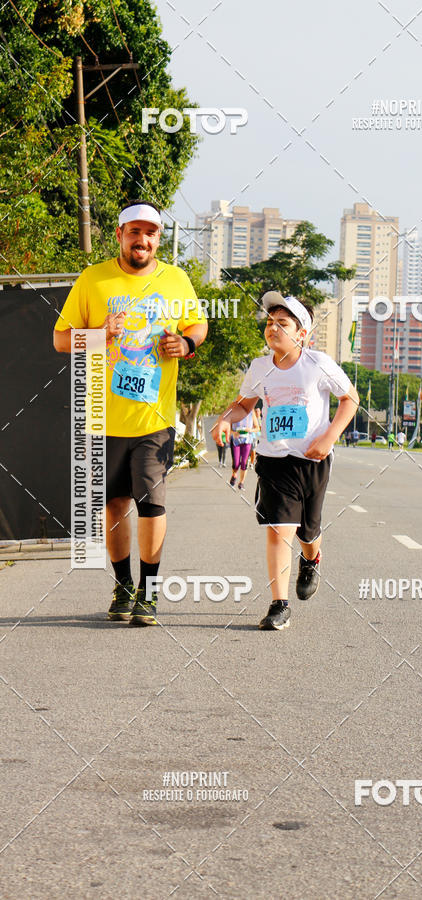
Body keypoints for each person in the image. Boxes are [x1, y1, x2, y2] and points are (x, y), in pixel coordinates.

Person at [53, 200, 207, 626]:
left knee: (151, 504)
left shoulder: (175, 280)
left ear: (159, 238)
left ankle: (150, 592)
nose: (143, 240)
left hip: (153, 421)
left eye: (151, 233)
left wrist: (187, 344)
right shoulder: (93, 278)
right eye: (134, 232)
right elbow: (61, 341)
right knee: (113, 506)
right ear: (119, 235)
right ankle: (123, 587)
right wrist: (98, 335)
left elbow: (198, 324)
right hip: (101, 416)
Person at [213, 291, 359, 630]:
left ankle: (311, 559)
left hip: (312, 460)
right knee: (279, 530)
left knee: (308, 531)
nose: (273, 328)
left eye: (283, 323)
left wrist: (329, 436)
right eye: (269, 322)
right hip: (273, 459)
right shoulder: (260, 368)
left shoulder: (318, 364)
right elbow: (244, 405)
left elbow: (349, 399)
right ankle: (279, 604)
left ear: (301, 334)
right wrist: (224, 419)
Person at [229, 408, 260, 490]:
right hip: (236, 441)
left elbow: (257, 428)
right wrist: (234, 433)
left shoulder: (251, 412)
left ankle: (241, 482)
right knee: (236, 463)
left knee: (244, 462)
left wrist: (250, 430)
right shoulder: (234, 411)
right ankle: (234, 475)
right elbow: (228, 428)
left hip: (247, 440)